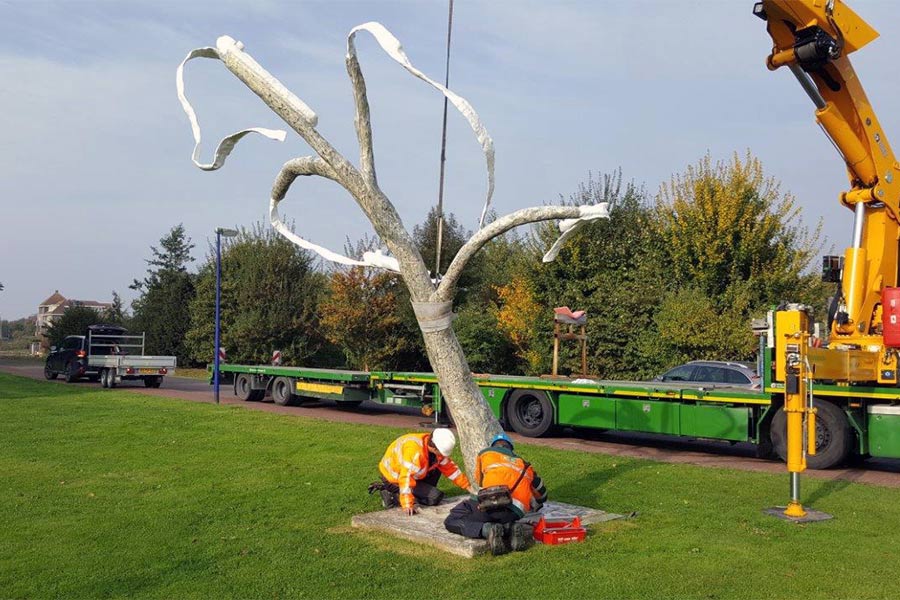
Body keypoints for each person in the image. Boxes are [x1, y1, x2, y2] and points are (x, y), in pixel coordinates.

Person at [444, 432, 548, 555]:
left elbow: (480, 481)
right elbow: (542, 494)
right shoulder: (525, 465)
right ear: (511, 449)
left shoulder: (485, 454)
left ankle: (487, 530)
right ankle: (509, 528)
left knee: (452, 519)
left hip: (491, 504)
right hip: (515, 512)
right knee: (501, 517)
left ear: (494, 446)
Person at [369, 428, 474, 516]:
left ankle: (418, 495)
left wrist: (468, 486)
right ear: (433, 447)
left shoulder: (431, 444)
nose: (442, 455)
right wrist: (407, 503)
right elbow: (406, 478)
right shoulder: (415, 452)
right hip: (393, 479)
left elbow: (451, 469)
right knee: (434, 497)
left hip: (410, 475)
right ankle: (390, 494)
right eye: (441, 452)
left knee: (438, 468)